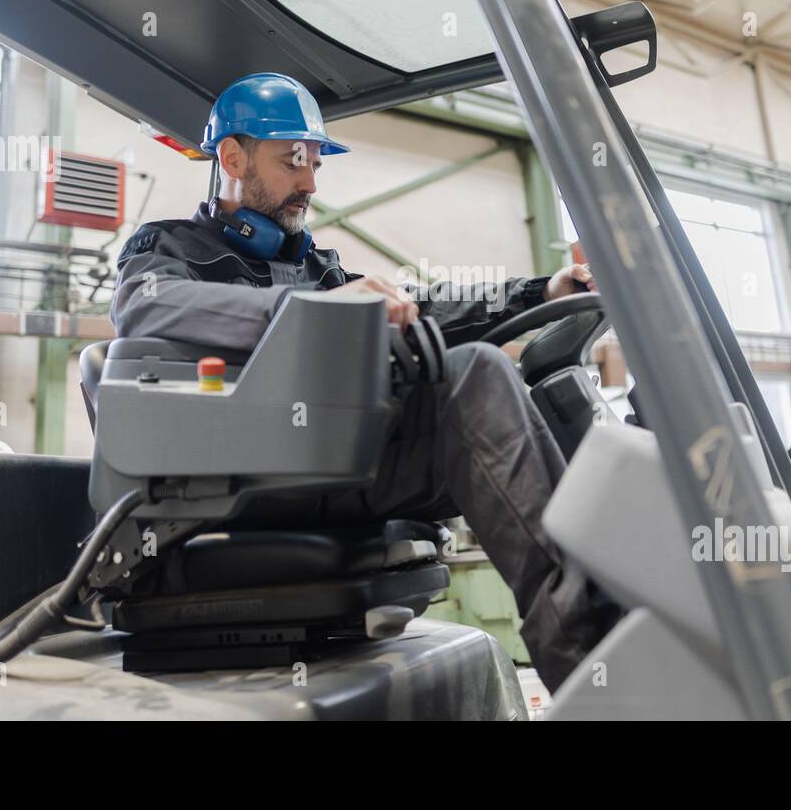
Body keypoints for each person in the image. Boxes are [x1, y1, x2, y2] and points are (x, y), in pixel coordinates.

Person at [111, 72, 620, 689]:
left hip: (333, 461)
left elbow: (420, 309)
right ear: (231, 156)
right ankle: (593, 668)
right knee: (477, 374)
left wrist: (541, 291)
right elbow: (143, 307)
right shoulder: (167, 247)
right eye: (294, 161)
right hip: (240, 474)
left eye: (317, 165)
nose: (309, 183)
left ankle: (631, 614)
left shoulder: (313, 266)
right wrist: (311, 313)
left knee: (524, 387)